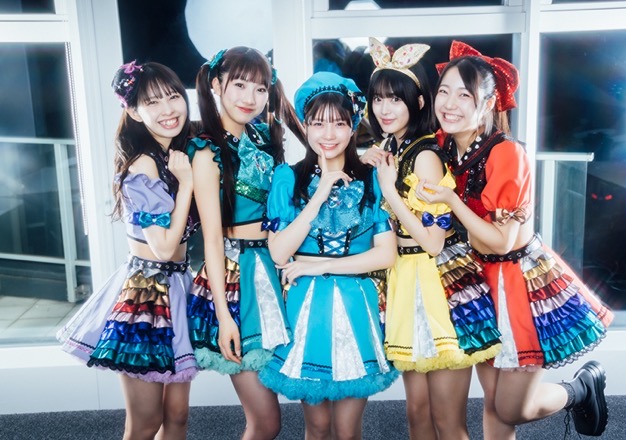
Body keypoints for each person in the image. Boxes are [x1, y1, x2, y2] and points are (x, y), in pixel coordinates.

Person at [418, 40, 615, 438]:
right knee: (494, 404)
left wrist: (451, 201)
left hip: (516, 282)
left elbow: (501, 242)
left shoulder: (507, 154)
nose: (450, 104)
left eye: (464, 95)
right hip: (476, 281)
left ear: (489, 103)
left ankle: (579, 389)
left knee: (512, 407)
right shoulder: (445, 146)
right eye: (444, 92)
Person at [361, 37, 502, 439]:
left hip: (436, 281)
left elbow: (433, 242)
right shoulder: (391, 148)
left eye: (396, 99)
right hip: (406, 277)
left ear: (418, 102)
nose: (385, 109)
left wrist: (389, 191)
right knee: (417, 413)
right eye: (378, 99)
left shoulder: (424, 155)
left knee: (446, 420)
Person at [57, 61, 199, 440]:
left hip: (178, 287)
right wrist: (187, 183)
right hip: (146, 297)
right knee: (146, 422)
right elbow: (164, 248)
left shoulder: (174, 154)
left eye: (173, 96)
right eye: (153, 102)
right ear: (134, 112)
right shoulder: (143, 166)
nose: (168, 109)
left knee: (178, 416)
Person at [257, 71, 399, 440]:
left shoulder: (371, 179)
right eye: (318, 123)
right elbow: (279, 252)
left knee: (348, 431)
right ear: (305, 127)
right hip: (306, 311)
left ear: (353, 127)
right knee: (317, 428)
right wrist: (319, 193)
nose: (328, 133)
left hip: (357, 306)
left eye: (339, 123)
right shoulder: (288, 178)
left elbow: (385, 255)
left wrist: (315, 266)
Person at [185, 46, 303, 439]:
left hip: (276, 268)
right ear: (217, 85)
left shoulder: (261, 136)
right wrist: (223, 317)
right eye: (239, 85)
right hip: (239, 278)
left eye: (260, 88)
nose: (250, 98)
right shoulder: (206, 150)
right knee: (266, 421)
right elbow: (212, 240)